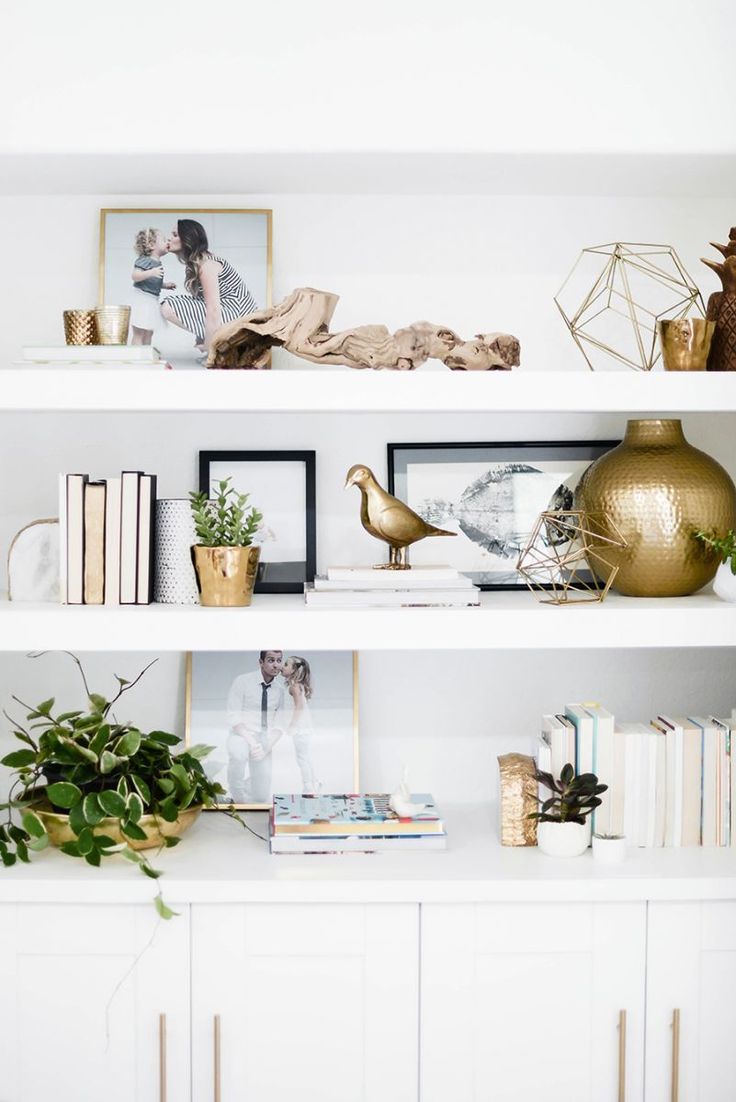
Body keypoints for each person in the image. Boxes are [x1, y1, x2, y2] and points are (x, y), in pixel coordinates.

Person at [160, 218, 258, 355]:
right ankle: (213, 343)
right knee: (180, 302)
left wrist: (208, 349)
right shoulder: (196, 264)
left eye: (175, 235)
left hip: (240, 321)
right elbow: (204, 305)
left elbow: (213, 309)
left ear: (188, 239)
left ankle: (218, 345)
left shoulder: (207, 265)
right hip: (231, 315)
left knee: (168, 307)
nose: (169, 239)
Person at [225, 651, 285, 804]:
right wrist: (252, 743)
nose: (276, 665)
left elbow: (279, 725)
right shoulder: (243, 681)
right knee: (239, 755)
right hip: (241, 734)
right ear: (261, 662)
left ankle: (250, 787)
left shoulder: (279, 690)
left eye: (279, 660)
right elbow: (234, 716)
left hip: (264, 739)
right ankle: (237, 798)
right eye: (271, 660)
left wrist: (265, 748)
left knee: (261, 796)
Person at [129, 228, 176, 346]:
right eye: (164, 240)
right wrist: (150, 273)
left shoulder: (157, 263)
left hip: (152, 300)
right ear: (151, 245)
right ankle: (136, 357)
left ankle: (146, 355)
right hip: (142, 299)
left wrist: (164, 285)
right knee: (139, 332)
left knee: (149, 332)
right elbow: (135, 276)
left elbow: (153, 281)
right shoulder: (145, 260)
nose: (168, 242)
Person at [282, 655, 319, 794]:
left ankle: (308, 785)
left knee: (301, 758)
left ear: (293, 670)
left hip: (301, 728)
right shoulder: (299, 686)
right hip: (305, 727)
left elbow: (299, 707)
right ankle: (315, 781)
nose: (282, 667)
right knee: (306, 756)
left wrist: (292, 725)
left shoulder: (294, 687)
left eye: (286, 664)